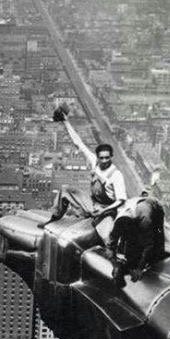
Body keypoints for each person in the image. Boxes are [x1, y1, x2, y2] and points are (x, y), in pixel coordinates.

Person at [50, 105, 127, 245]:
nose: (104, 161)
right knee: (65, 190)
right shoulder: (94, 162)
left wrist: (103, 212)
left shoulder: (116, 175)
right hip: (92, 203)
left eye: (107, 158)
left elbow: (121, 200)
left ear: (111, 157)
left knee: (107, 239)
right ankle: (54, 218)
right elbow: (78, 143)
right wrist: (66, 122)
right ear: (97, 157)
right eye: (101, 158)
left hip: (107, 210)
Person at [107, 192, 165, 287]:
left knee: (157, 239)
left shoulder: (145, 219)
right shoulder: (118, 222)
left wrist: (139, 268)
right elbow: (110, 246)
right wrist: (115, 265)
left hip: (154, 207)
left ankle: (159, 260)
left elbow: (148, 245)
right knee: (132, 244)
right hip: (135, 206)